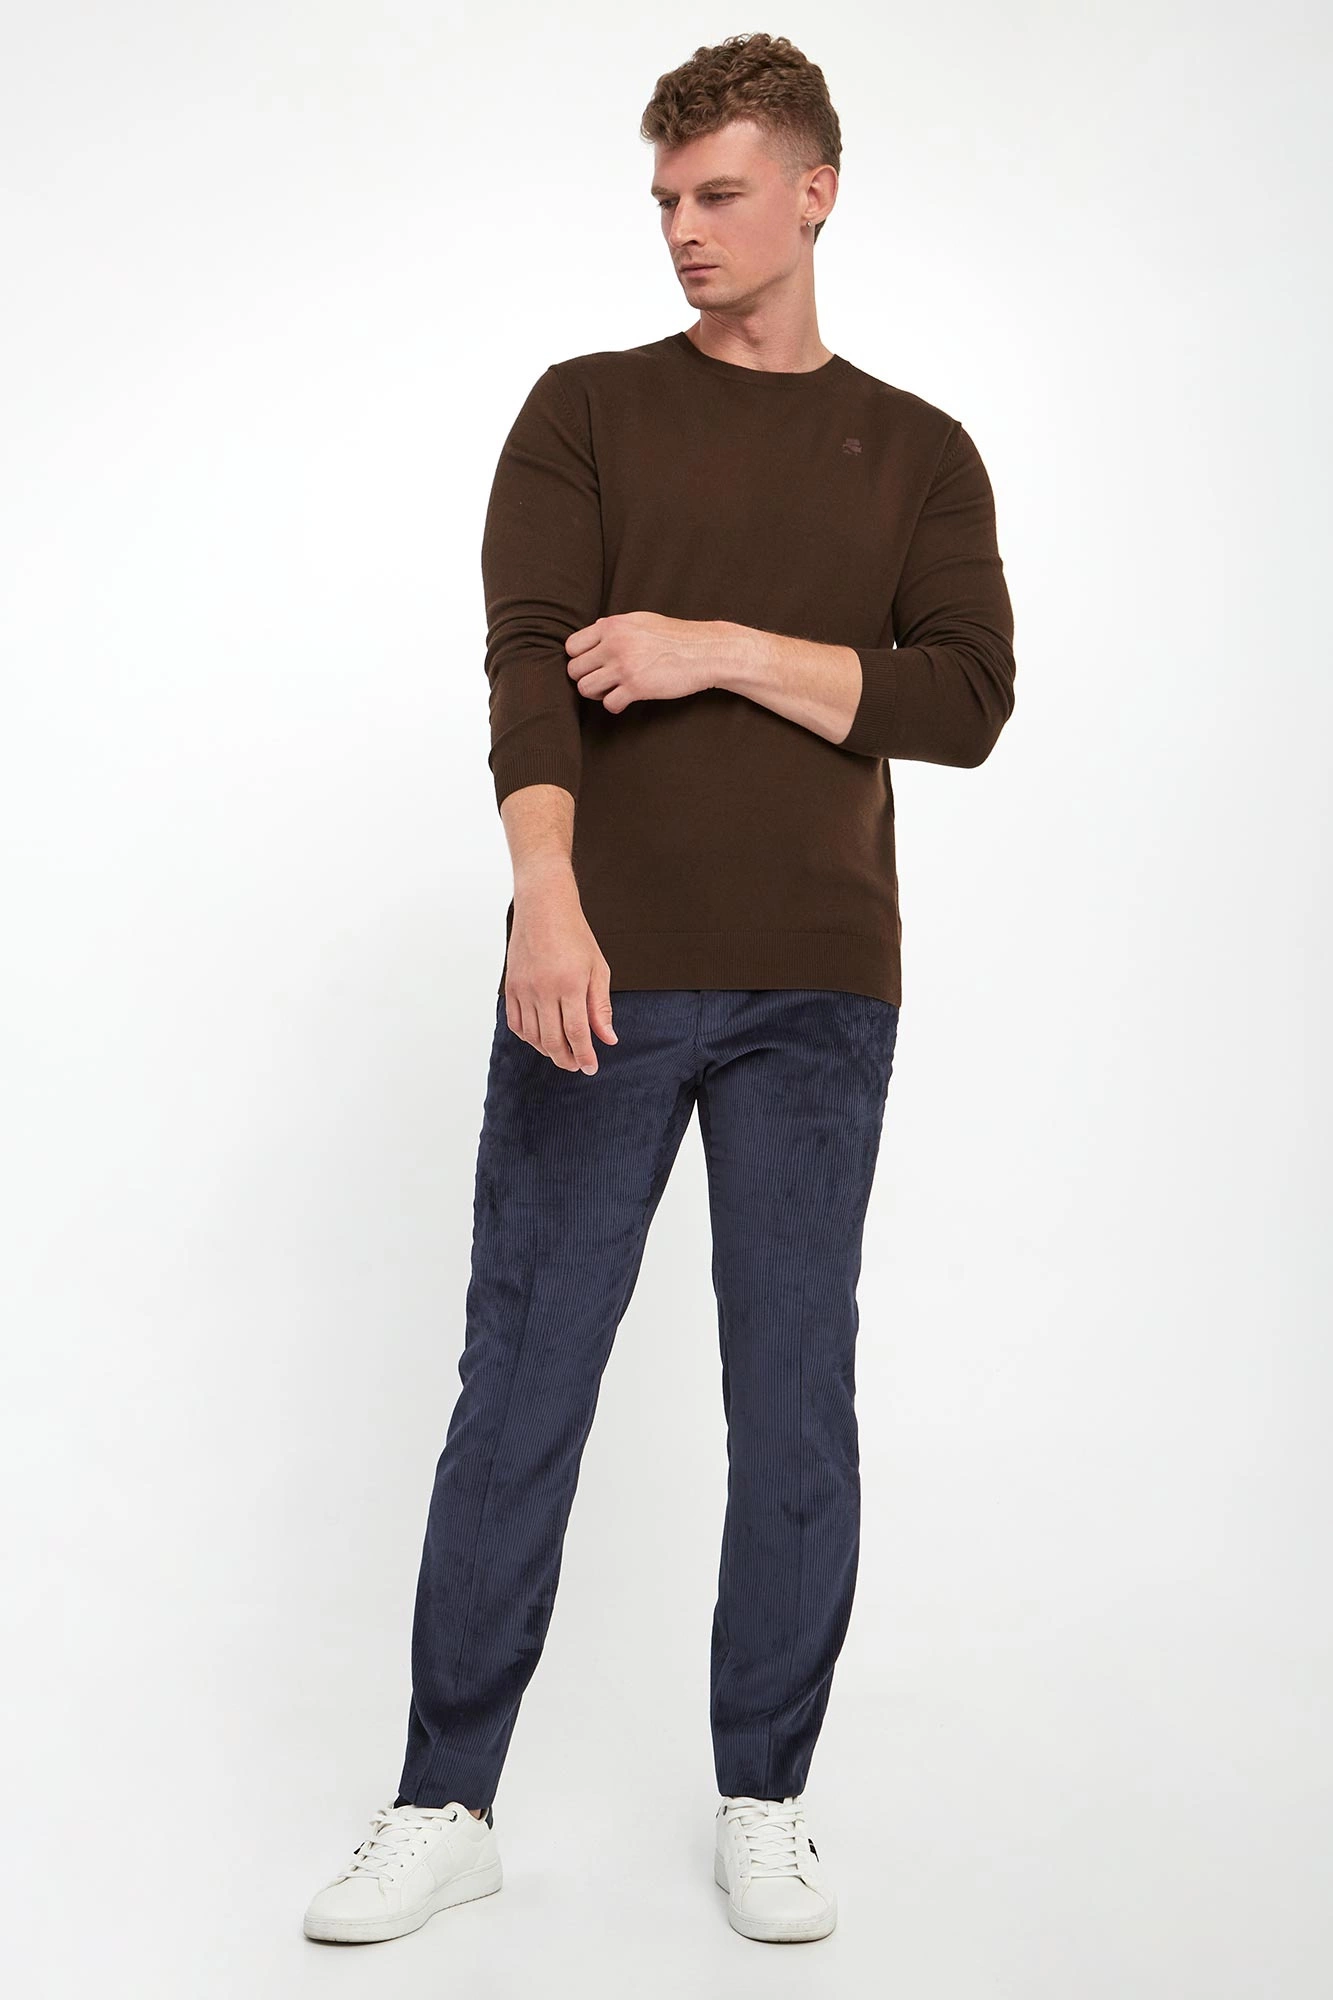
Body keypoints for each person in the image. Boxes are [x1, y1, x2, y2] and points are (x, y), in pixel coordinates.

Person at [303, 30, 1015, 1950]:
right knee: (525, 1381)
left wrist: (718, 645)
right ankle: (443, 1801)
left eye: (720, 195)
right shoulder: (589, 410)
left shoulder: (919, 449)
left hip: (819, 988)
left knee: (792, 1397)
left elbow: (965, 699)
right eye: (666, 200)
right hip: (595, 972)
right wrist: (544, 900)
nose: (685, 231)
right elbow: (527, 660)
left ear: (816, 192)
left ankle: (765, 1798)